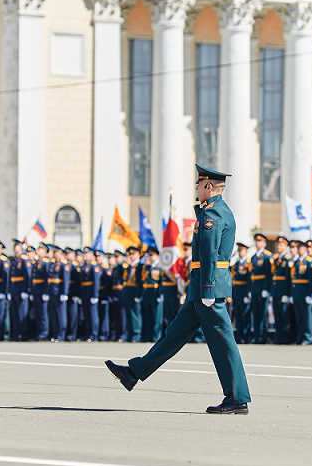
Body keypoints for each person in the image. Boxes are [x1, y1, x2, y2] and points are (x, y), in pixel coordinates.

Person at [105, 164, 251, 414]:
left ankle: (237, 398)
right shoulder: (214, 211)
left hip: (209, 287)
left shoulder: (212, 215)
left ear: (208, 187)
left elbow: (209, 255)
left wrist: (206, 289)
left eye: (198, 184)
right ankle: (134, 373)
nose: (196, 188)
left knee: (223, 343)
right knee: (173, 335)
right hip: (202, 287)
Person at [291, 241, 312, 345]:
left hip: (305, 294)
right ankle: (300, 337)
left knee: (307, 317)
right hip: (297, 294)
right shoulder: (297, 261)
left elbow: (311, 279)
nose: (297, 249)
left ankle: (308, 337)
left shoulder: (309, 261)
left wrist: (310, 294)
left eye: (299, 248)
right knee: (299, 317)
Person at [249, 233, 271, 344]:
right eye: (256, 241)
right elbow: (251, 275)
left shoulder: (267, 256)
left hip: (262, 288)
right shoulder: (253, 257)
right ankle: (257, 336)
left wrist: (266, 289)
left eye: (260, 241)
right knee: (256, 313)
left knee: (263, 313)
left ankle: (263, 336)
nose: (257, 243)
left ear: (264, 243)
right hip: (254, 289)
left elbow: (268, 274)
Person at [270, 236, 292, 344]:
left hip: (282, 291)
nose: (279, 246)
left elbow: (288, 278)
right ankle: (278, 336)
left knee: (284, 316)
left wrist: (286, 293)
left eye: (281, 245)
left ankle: (285, 337)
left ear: (285, 246)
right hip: (275, 291)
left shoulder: (288, 259)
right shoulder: (276, 259)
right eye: (278, 245)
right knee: (277, 315)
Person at [231, 242, 251, 344]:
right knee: (238, 316)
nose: (239, 252)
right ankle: (239, 336)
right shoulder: (236, 264)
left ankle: (245, 336)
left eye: (241, 250)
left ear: (246, 251)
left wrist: (248, 294)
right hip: (236, 293)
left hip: (244, 293)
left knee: (245, 316)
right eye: (238, 250)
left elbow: (249, 280)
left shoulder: (248, 263)